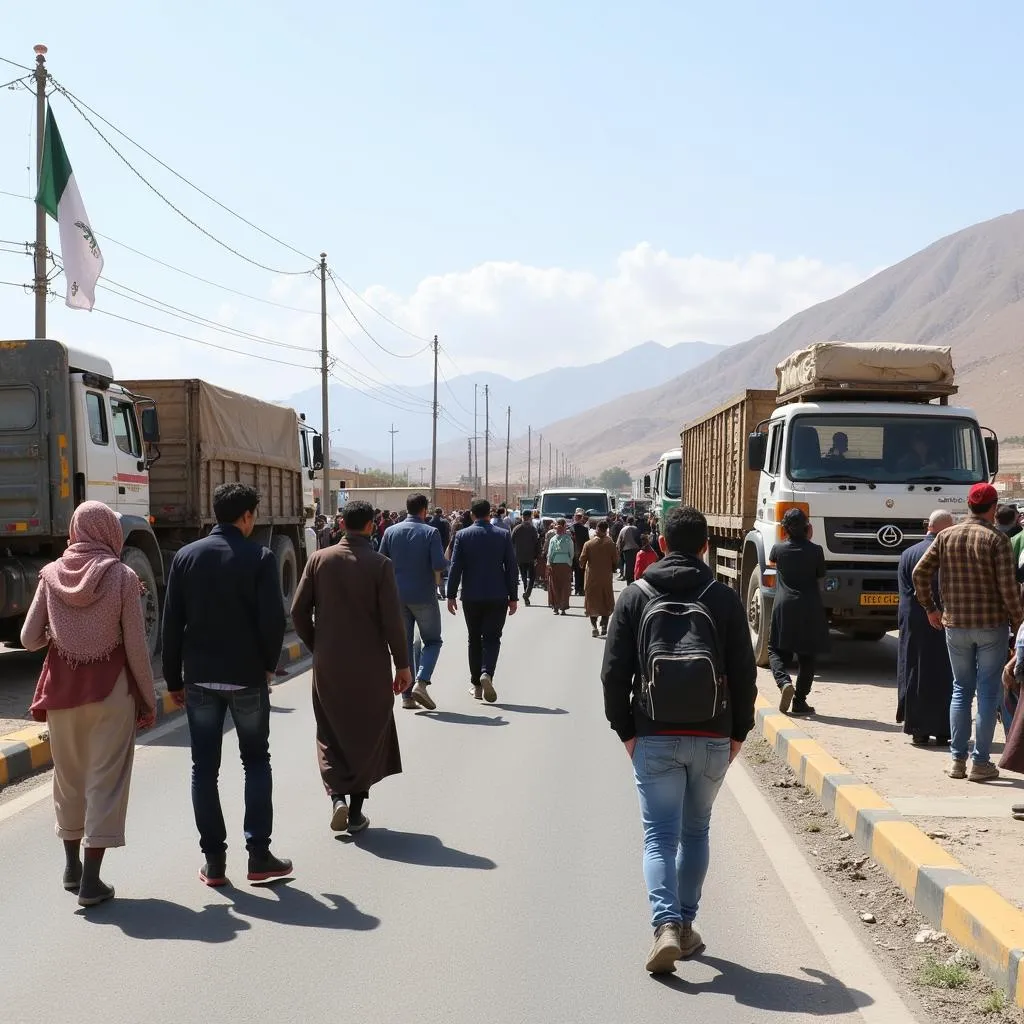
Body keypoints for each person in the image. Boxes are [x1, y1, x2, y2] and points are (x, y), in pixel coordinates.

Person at [601, 506, 757, 974]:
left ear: (662, 544)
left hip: (653, 733)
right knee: (696, 831)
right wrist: (738, 733)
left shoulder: (635, 595)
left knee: (658, 837)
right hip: (712, 734)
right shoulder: (723, 597)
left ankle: (666, 925)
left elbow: (613, 674)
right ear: (706, 546)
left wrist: (626, 731)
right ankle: (686, 926)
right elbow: (746, 674)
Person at [20, 501, 157, 907]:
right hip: (112, 691)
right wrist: (148, 699)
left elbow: (29, 638)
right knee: (105, 781)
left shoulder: (50, 574)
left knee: (69, 777)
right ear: (109, 533)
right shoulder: (123, 576)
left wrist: (57, 639)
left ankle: (70, 868)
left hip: (61, 690)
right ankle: (92, 882)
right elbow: (135, 646)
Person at [162, 483, 290, 886]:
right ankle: (259, 857)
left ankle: (214, 862)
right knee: (256, 761)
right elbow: (272, 621)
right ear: (247, 516)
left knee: (204, 769)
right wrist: (268, 666)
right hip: (247, 678)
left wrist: (172, 679)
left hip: (199, 679)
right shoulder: (261, 557)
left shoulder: (185, 557)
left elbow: (172, 624)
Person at [292, 500, 410, 834]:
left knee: (330, 730)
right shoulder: (380, 565)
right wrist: (403, 664)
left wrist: (319, 645)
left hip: (329, 662)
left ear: (341, 524)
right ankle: (356, 812)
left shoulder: (319, 560)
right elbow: (392, 621)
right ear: (372, 526)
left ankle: (336, 799)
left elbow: (298, 612)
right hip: (371, 664)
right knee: (368, 731)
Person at [913, 482, 1023, 782]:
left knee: (961, 690)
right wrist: (1019, 625)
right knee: (988, 694)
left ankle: (957, 761)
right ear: (993, 507)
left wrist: (931, 608)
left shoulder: (946, 536)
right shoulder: (997, 539)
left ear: (968, 504)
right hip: (991, 626)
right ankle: (980, 762)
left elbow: (919, 572)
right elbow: (1009, 589)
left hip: (955, 625)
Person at [446, 498, 519, 703]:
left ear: (472, 514)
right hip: (497, 595)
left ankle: (477, 686)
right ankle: (487, 673)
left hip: (471, 596)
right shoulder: (503, 535)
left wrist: (450, 594)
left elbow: (455, 567)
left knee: (474, 639)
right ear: (490, 514)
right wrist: (513, 597)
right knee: (492, 639)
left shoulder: (462, 535)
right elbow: (511, 569)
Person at [380, 494, 447, 711]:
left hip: (397, 598)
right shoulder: (431, 532)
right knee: (433, 641)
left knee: (404, 644)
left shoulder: (391, 532)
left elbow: (381, 561)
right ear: (424, 510)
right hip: (424, 597)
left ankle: (406, 696)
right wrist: (448, 560)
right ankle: (422, 681)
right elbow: (438, 564)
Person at [897, 511, 955, 746]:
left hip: (913, 621)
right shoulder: (946, 554)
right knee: (945, 673)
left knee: (913, 668)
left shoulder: (908, 553)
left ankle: (917, 729)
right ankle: (943, 730)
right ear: (946, 530)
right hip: (942, 618)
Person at [768, 507, 828, 716]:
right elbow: (820, 580)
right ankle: (800, 701)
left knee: (775, 650)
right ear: (807, 527)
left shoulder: (778, 550)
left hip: (784, 607)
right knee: (807, 656)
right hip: (810, 607)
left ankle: (784, 682)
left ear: (785, 529)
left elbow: (774, 562)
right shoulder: (817, 551)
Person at [580, 520, 618, 637]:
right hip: (606, 578)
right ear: (606, 530)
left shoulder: (588, 544)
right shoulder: (611, 544)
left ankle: (594, 627)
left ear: (597, 529)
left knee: (592, 603)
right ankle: (604, 625)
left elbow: (582, 561)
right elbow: (616, 561)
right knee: (606, 601)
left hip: (592, 578)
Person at [512, 513, 543, 606]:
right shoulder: (533, 529)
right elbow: (537, 543)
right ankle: (527, 593)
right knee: (532, 577)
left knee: (524, 576)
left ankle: (526, 594)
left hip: (519, 557)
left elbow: (511, 541)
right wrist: (538, 555)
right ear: (530, 518)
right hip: (531, 557)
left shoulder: (516, 528)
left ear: (522, 517)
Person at [546, 519, 575, 616]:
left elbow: (571, 553)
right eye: (557, 528)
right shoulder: (553, 539)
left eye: (560, 528)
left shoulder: (568, 539)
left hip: (565, 564)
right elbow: (549, 553)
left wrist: (569, 563)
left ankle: (563, 607)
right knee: (554, 587)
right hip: (554, 564)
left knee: (565, 587)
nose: (558, 530)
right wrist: (548, 563)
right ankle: (556, 606)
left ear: (564, 528)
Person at [428, 507, 452, 598]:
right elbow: (447, 535)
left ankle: (435, 591)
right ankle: (443, 592)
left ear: (434, 513)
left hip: (432, 548)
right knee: (441, 572)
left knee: (433, 571)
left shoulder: (430, 522)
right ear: (441, 513)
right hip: (442, 547)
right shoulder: (445, 522)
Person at [617, 516, 642, 584]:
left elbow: (619, 541)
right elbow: (639, 539)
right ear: (633, 521)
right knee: (635, 565)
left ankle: (629, 581)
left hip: (626, 550)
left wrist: (619, 551)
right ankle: (635, 580)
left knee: (628, 566)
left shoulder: (623, 529)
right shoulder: (635, 529)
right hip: (636, 549)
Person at [570, 512, 590, 596]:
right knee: (581, 571)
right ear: (581, 518)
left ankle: (575, 588)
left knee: (573, 571)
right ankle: (580, 589)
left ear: (575, 518)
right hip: (581, 552)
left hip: (572, 552)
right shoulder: (585, 529)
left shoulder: (570, 528)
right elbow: (587, 542)